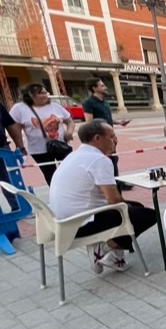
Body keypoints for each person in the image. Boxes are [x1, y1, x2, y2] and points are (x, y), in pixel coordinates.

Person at [49, 120, 157, 272]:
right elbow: (114, 200)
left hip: (60, 221)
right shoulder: (99, 160)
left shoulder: (74, 156)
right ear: (97, 138)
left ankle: (113, 253)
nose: (115, 140)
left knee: (135, 207)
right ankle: (105, 248)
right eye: (112, 136)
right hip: (79, 224)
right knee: (148, 215)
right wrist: (126, 206)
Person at [10, 83, 75, 185]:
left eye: (46, 93)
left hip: (61, 145)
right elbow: (15, 128)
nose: (45, 95)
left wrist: (69, 132)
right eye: (41, 93)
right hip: (39, 149)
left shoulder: (54, 106)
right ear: (31, 95)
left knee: (69, 171)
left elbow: (69, 121)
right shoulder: (19, 108)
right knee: (50, 174)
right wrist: (20, 146)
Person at [82, 77, 131, 187]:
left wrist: (119, 123)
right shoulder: (89, 103)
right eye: (102, 85)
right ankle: (109, 183)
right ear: (94, 88)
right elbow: (89, 121)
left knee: (113, 159)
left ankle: (117, 181)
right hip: (100, 138)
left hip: (109, 135)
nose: (105, 87)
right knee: (104, 160)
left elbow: (107, 118)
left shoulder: (104, 102)